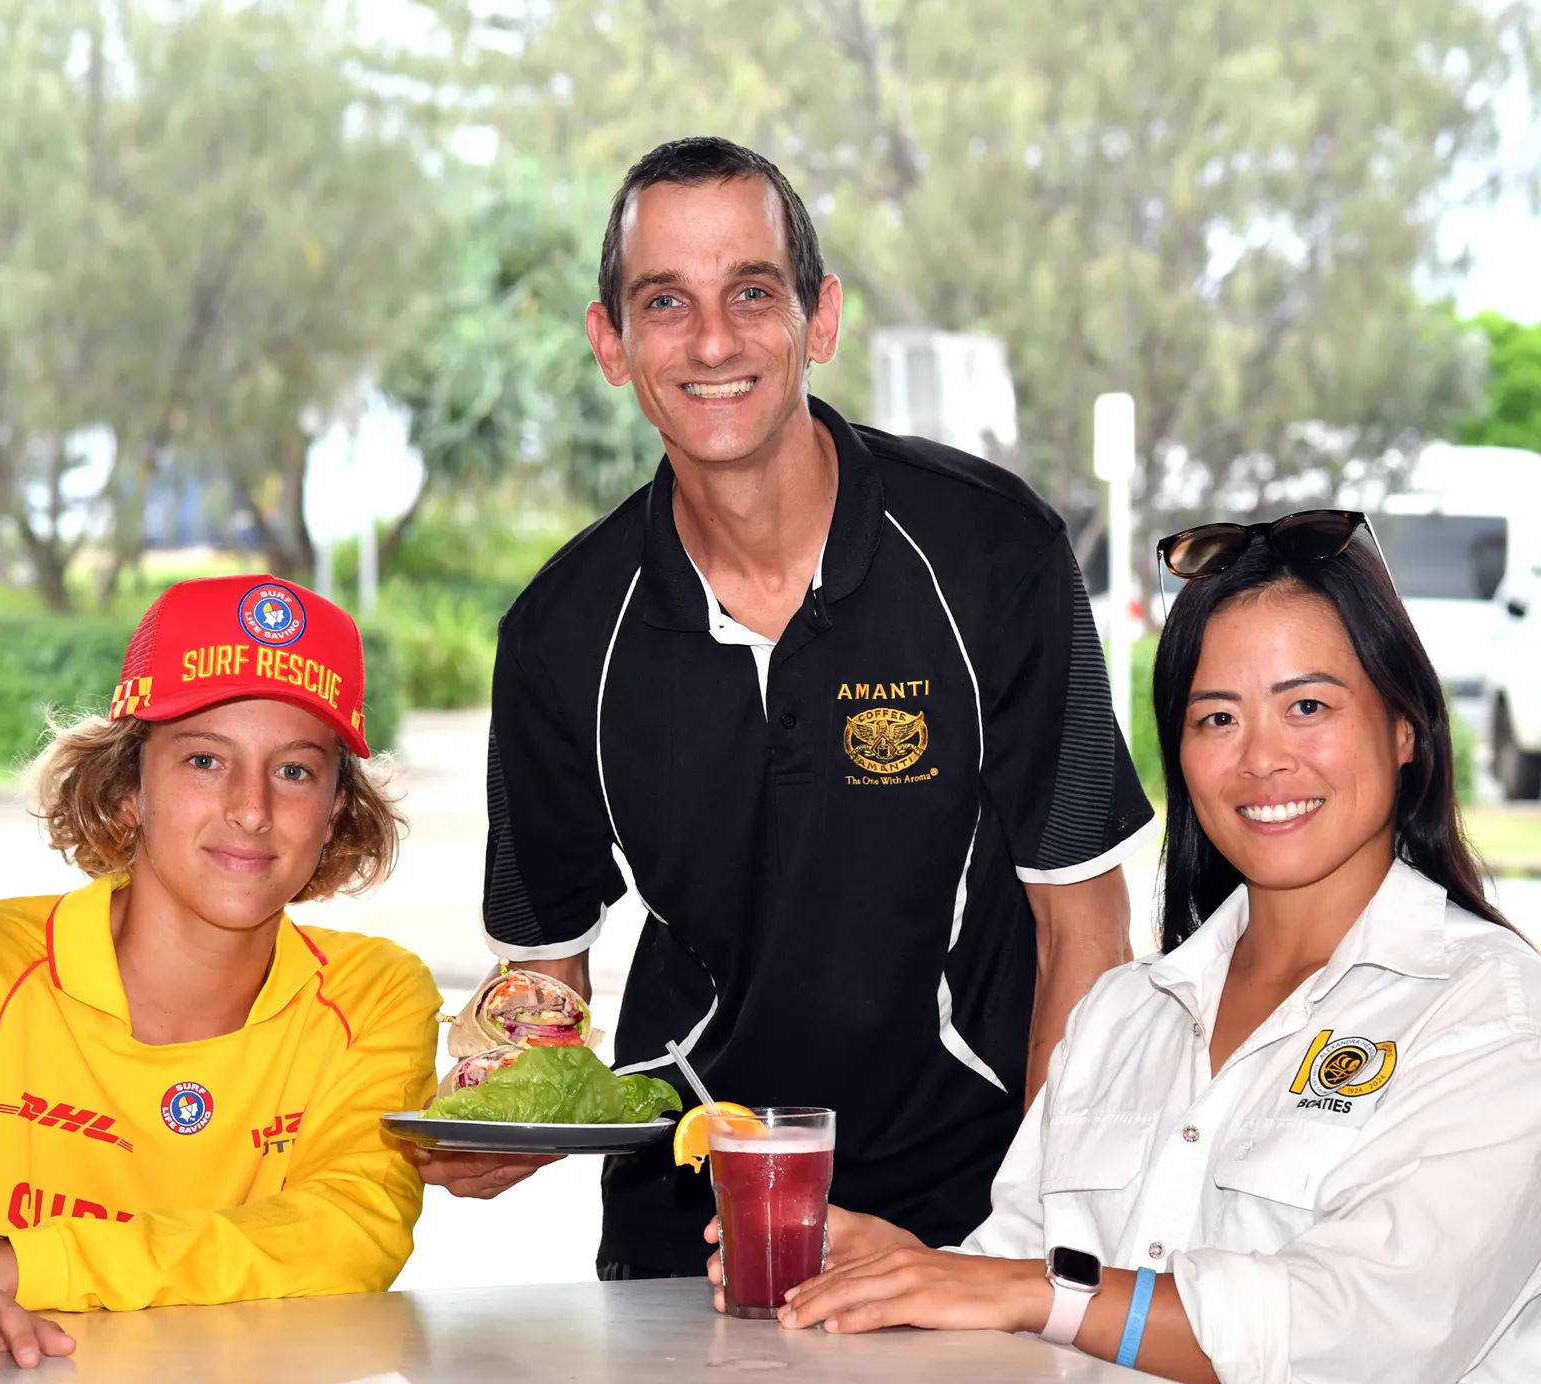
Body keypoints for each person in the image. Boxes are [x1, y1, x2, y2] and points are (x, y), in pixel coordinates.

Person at [408, 134, 1157, 1278]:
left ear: (821, 318)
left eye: (752, 292)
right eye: (666, 301)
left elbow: (1086, 931)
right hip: (691, 1206)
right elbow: (545, 978)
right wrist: (503, 1114)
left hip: (965, 1204)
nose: (713, 341)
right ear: (611, 343)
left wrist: (1032, 1249)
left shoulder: (995, 552)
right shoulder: (559, 635)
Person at [750, 512, 1541, 1382]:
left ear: (1406, 729)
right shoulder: (1123, 1014)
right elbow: (1018, 1287)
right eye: (1217, 719)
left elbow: (1370, 1327)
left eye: (1308, 707)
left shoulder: (1491, 1013)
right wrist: (909, 1272)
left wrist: (1031, 1292)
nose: (1261, 759)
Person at [0, 576, 441, 1375]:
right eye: (205, 760)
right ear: (128, 789)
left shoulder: (376, 995)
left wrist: (8, 1265)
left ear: (338, 810)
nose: (250, 808)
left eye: (296, 772)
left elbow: (349, 1236)